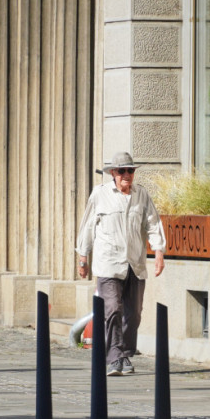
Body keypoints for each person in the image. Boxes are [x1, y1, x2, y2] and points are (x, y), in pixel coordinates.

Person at [77, 151, 166, 376]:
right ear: (113, 174)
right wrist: (83, 257)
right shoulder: (100, 194)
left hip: (134, 263)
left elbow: (153, 223)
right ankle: (114, 356)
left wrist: (159, 252)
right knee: (112, 309)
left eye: (130, 170)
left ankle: (125, 354)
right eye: (122, 171)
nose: (127, 175)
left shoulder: (141, 195)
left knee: (134, 313)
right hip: (108, 263)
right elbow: (87, 226)